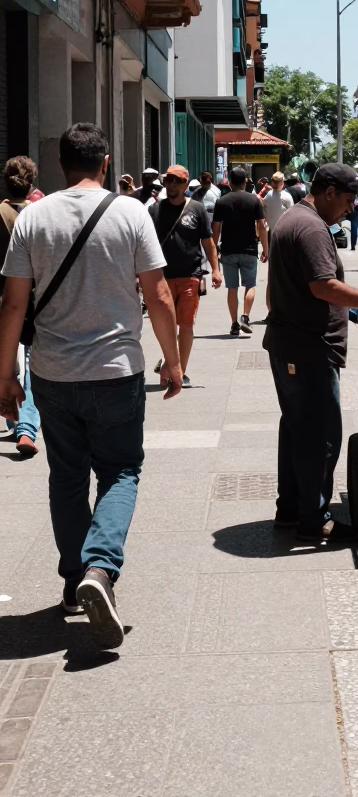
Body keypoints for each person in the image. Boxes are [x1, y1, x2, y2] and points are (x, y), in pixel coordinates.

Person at [0, 122, 182, 648]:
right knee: (121, 472)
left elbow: (13, 304)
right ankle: (99, 569)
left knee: (66, 477)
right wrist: (173, 362)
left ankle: (72, 581)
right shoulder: (131, 213)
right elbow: (159, 295)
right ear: (105, 163)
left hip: (52, 372)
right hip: (116, 371)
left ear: (61, 165)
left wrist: (6, 374)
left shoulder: (32, 217)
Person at [264, 162, 358, 541]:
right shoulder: (311, 228)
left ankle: (291, 509)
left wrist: (352, 309)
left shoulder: (294, 219)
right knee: (319, 434)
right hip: (309, 350)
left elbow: (293, 290)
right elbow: (323, 285)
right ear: (329, 192)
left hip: (292, 345)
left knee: (297, 429)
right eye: (349, 200)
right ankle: (315, 519)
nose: (351, 208)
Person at [149, 164, 222, 386]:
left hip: (191, 275)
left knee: (187, 325)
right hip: (162, 278)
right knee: (167, 326)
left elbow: (208, 242)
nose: (170, 184)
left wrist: (216, 269)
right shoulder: (155, 210)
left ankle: (180, 371)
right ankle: (169, 362)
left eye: (176, 181)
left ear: (185, 184)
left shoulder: (196, 209)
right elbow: (144, 245)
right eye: (167, 180)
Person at [0, 156, 41, 456]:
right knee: (30, 364)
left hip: (2, 298)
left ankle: (14, 420)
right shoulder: (42, 214)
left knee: (7, 361)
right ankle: (26, 428)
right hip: (34, 299)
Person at [212, 165, 268, 336]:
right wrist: (265, 249)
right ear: (245, 182)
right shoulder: (254, 201)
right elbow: (261, 226)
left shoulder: (222, 201)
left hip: (228, 250)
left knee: (232, 288)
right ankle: (245, 316)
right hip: (249, 249)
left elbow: (216, 229)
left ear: (230, 182)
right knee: (250, 285)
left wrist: (214, 251)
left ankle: (234, 324)